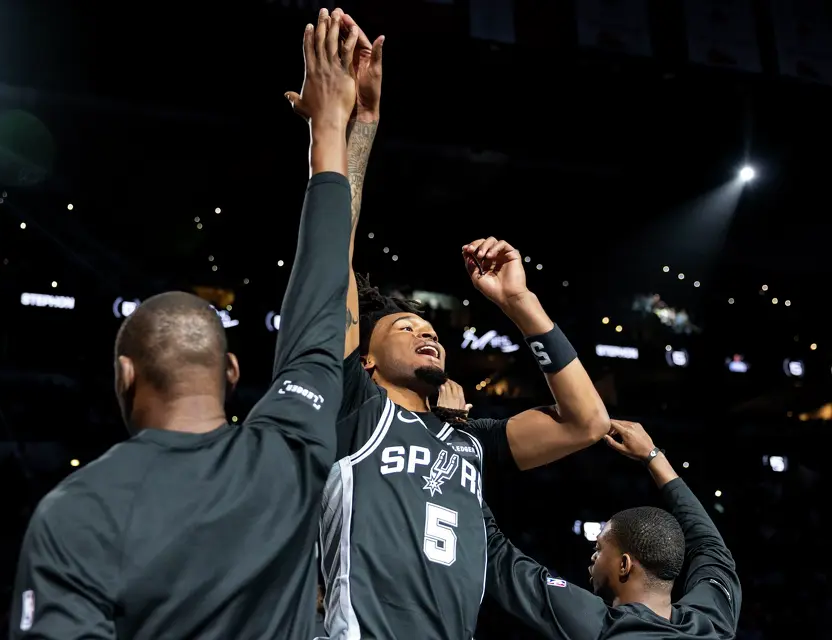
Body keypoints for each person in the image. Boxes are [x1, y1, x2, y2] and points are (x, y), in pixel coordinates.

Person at [9, 8, 358, 638]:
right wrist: (333, 129)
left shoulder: (76, 512)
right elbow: (317, 308)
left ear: (124, 373)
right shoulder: (289, 450)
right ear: (230, 370)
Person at [309, 20, 611, 636]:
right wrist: (357, 128)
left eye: (430, 326)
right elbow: (333, 247)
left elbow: (588, 423)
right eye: (403, 327)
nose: (427, 332)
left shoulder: (470, 439)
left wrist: (522, 305)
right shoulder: (354, 406)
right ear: (364, 359)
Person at [484, 419, 742, 639]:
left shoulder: (603, 626)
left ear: (624, 564)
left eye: (599, 548)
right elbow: (711, 545)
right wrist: (652, 456)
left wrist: (452, 452)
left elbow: (496, 554)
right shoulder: (713, 623)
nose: (593, 556)